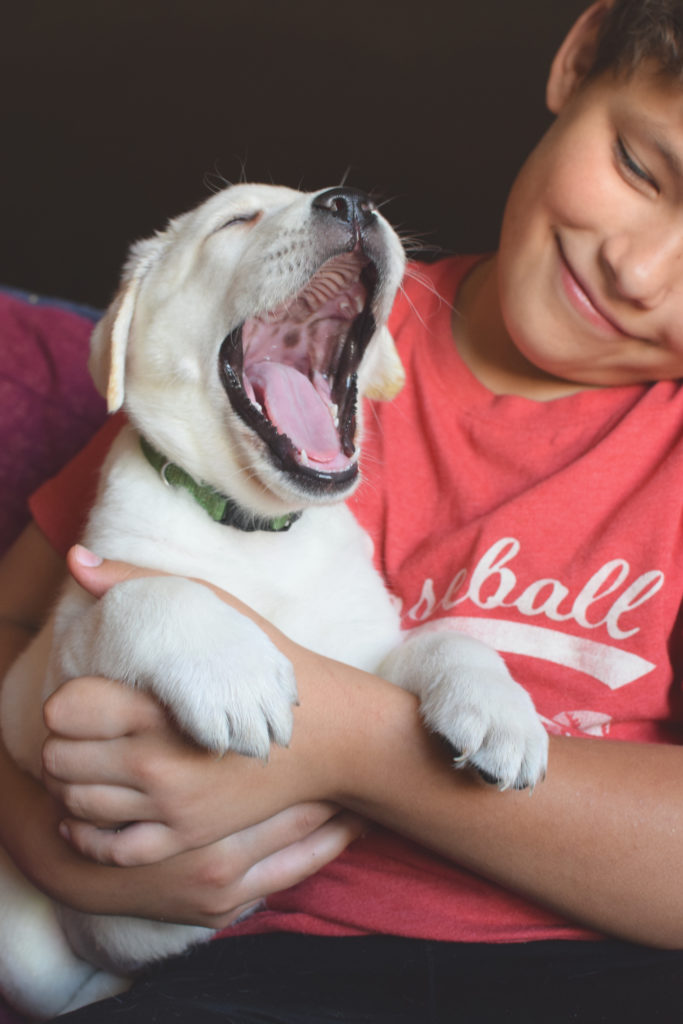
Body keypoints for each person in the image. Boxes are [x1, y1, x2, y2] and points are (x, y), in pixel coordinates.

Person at [3, 0, 683, 1019]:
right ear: (579, 58)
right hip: (253, 959)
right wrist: (51, 845)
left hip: (600, 962)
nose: (636, 271)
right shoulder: (249, 350)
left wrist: (355, 743)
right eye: (638, 165)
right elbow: (20, 628)